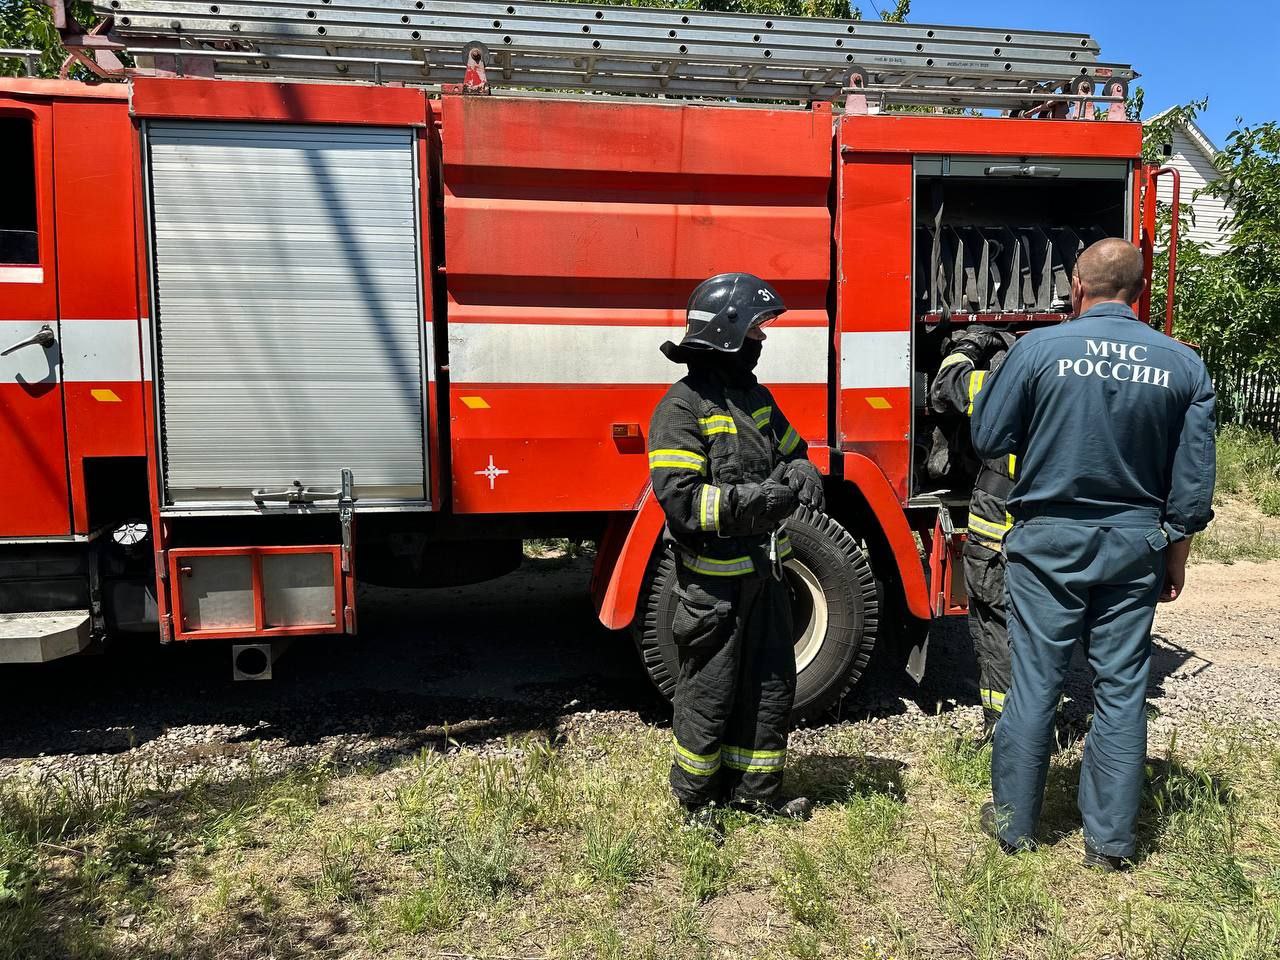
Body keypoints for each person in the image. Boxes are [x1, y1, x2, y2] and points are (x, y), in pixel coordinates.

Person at [970, 238, 1216, 870]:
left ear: (1077, 286)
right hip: (1134, 545)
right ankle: (1108, 845)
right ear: (1137, 290)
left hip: (1048, 541)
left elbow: (988, 435)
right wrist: (1176, 557)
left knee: (1034, 686)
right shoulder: (1183, 365)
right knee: (1121, 691)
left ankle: (1014, 828)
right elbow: (1191, 488)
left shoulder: (1038, 350)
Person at [647, 272, 826, 830]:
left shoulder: (756, 400)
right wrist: (756, 501)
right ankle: (697, 801)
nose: (762, 341)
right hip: (713, 591)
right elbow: (681, 502)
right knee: (709, 691)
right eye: (755, 331)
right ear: (727, 334)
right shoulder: (681, 409)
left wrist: (801, 469)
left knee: (771, 687)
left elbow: (791, 450)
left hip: (767, 579)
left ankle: (758, 792)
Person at [930, 325, 1017, 737]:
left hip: (1000, 527)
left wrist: (968, 344)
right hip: (1061, 530)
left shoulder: (1011, 378)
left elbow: (945, 388)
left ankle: (1004, 730)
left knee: (994, 621)